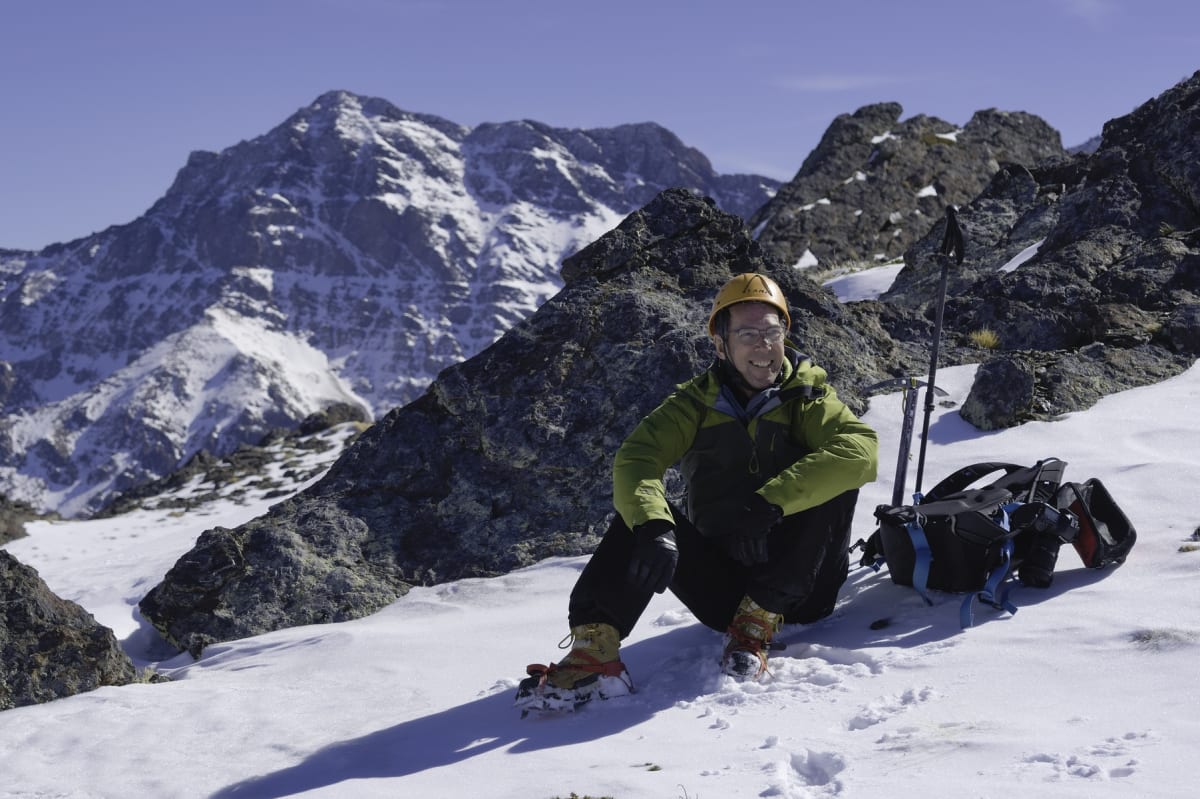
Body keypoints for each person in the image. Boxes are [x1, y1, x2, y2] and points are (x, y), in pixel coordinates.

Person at [515, 273, 879, 714]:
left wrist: (770, 502)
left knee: (837, 474)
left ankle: (759, 622)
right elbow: (637, 459)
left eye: (773, 332)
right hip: (721, 589)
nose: (763, 346)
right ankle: (596, 649)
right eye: (748, 334)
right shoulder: (692, 405)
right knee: (641, 516)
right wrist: (655, 528)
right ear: (721, 344)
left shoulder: (806, 397)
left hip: (804, 590)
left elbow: (861, 450)